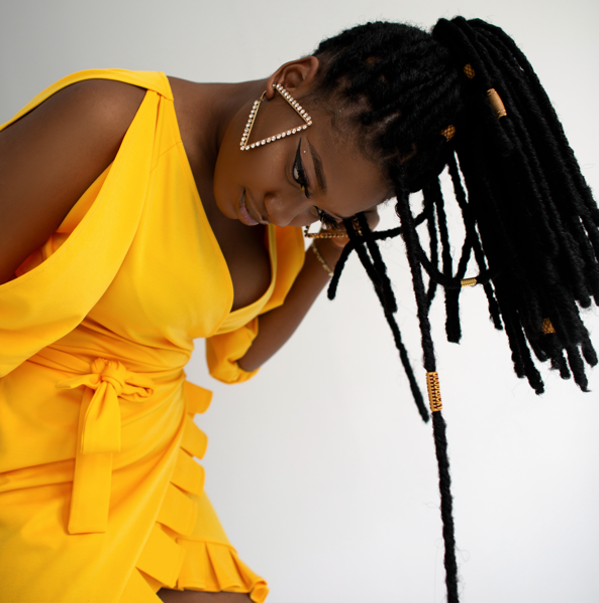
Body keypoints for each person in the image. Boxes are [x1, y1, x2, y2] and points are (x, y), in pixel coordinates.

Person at [0, 16, 597, 603]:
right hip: (28, 455)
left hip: (144, 457)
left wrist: (336, 240)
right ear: (291, 78)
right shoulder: (107, 120)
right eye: (297, 174)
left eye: (317, 211)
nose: (285, 213)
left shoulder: (278, 215)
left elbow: (243, 352)